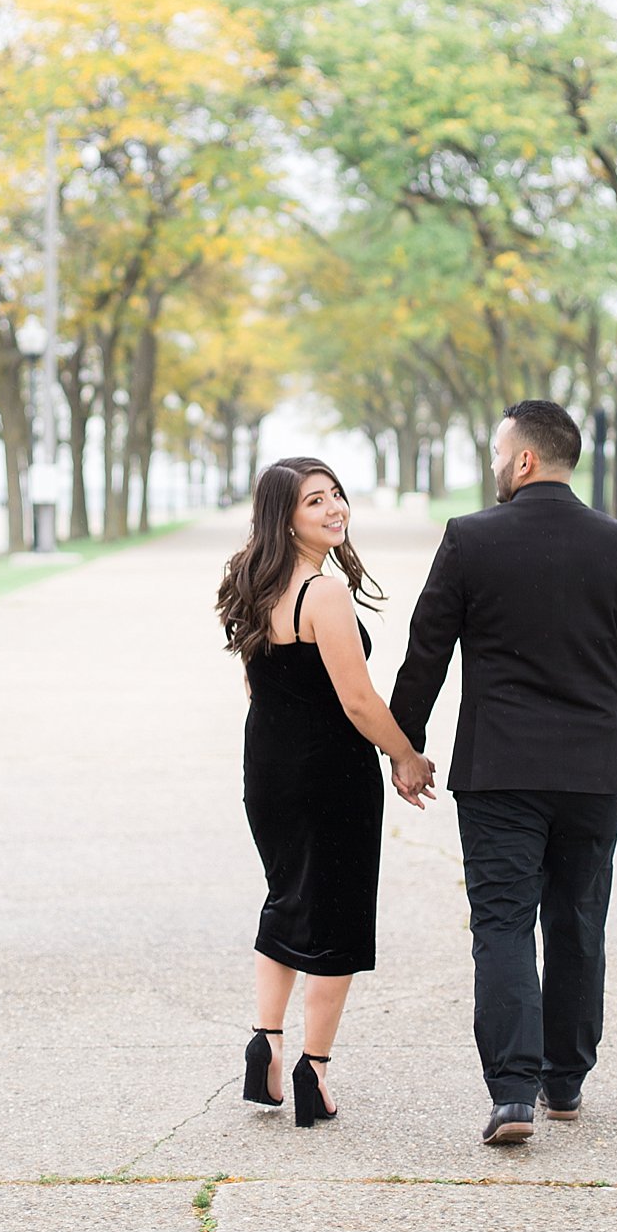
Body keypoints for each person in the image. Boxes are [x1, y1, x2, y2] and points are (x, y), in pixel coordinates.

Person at [389, 400, 617, 1147]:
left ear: (523, 460)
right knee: (578, 917)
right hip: (594, 772)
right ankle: (566, 1081)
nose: (492, 466)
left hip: (500, 770)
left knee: (503, 921)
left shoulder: (471, 538)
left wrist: (402, 744)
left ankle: (513, 1093)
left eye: (495, 451)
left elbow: (427, 650)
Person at [216, 457, 438, 1128]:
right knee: (335, 915)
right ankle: (313, 1070)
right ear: (286, 516)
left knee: (286, 898)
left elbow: (255, 687)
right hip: (330, 774)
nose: (336, 508)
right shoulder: (324, 593)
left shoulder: (250, 583)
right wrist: (407, 756)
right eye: (316, 501)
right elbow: (359, 700)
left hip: (268, 768)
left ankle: (265, 1044)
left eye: (337, 494)